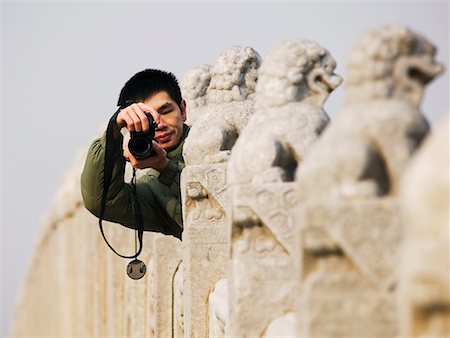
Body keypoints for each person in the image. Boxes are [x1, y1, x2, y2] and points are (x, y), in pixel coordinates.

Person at [81, 69, 189, 240]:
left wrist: (166, 167)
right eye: (148, 119)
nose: (159, 124)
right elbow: (102, 202)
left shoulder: (216, 142)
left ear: (183, 110)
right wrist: (113, 133)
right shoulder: (153, 187)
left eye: (166, 111)